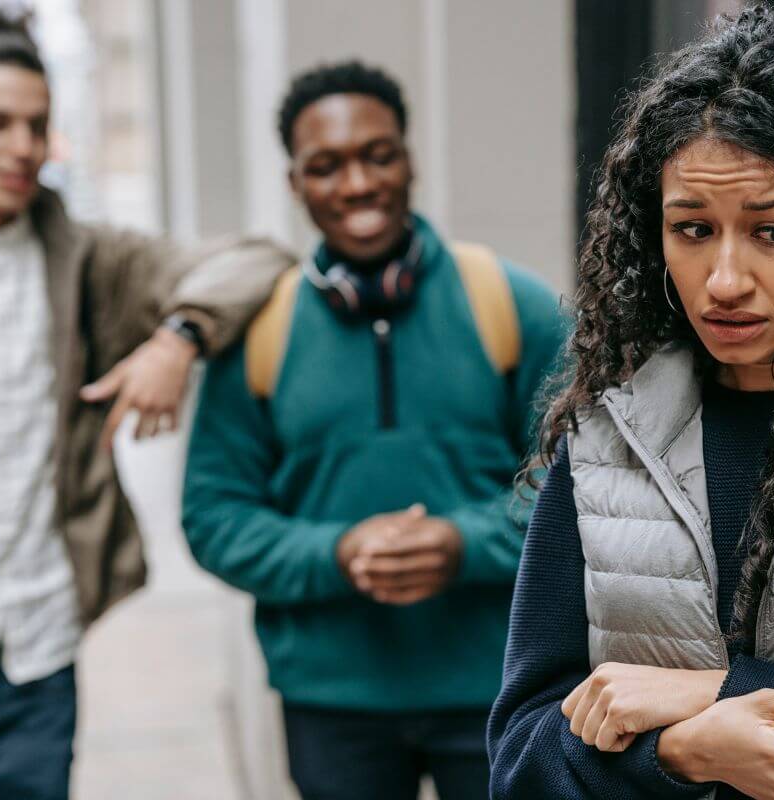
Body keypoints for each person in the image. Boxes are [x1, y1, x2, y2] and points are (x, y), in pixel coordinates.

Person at [489, 4, 774, 799]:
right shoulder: (608, 440)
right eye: (691, 228)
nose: (724, 280)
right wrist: (681, 754)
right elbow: (518, 760)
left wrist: (723, 690)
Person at [0, 8, 292, 800]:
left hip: (36, 659)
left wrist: (177, 339)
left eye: (37, 126)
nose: (22, 147)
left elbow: (258, 258)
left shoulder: (86, 260)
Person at [183, 60, 563, 800]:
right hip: (332, 704)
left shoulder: (514, 305)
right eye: (326, 166)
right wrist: (338, 552)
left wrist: (464, 543)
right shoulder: (258, 332)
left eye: (376, 155)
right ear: (295, 183)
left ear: (410, 158)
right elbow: (213, 515)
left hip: (497, 685)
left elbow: (581, 486)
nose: (357, 184)